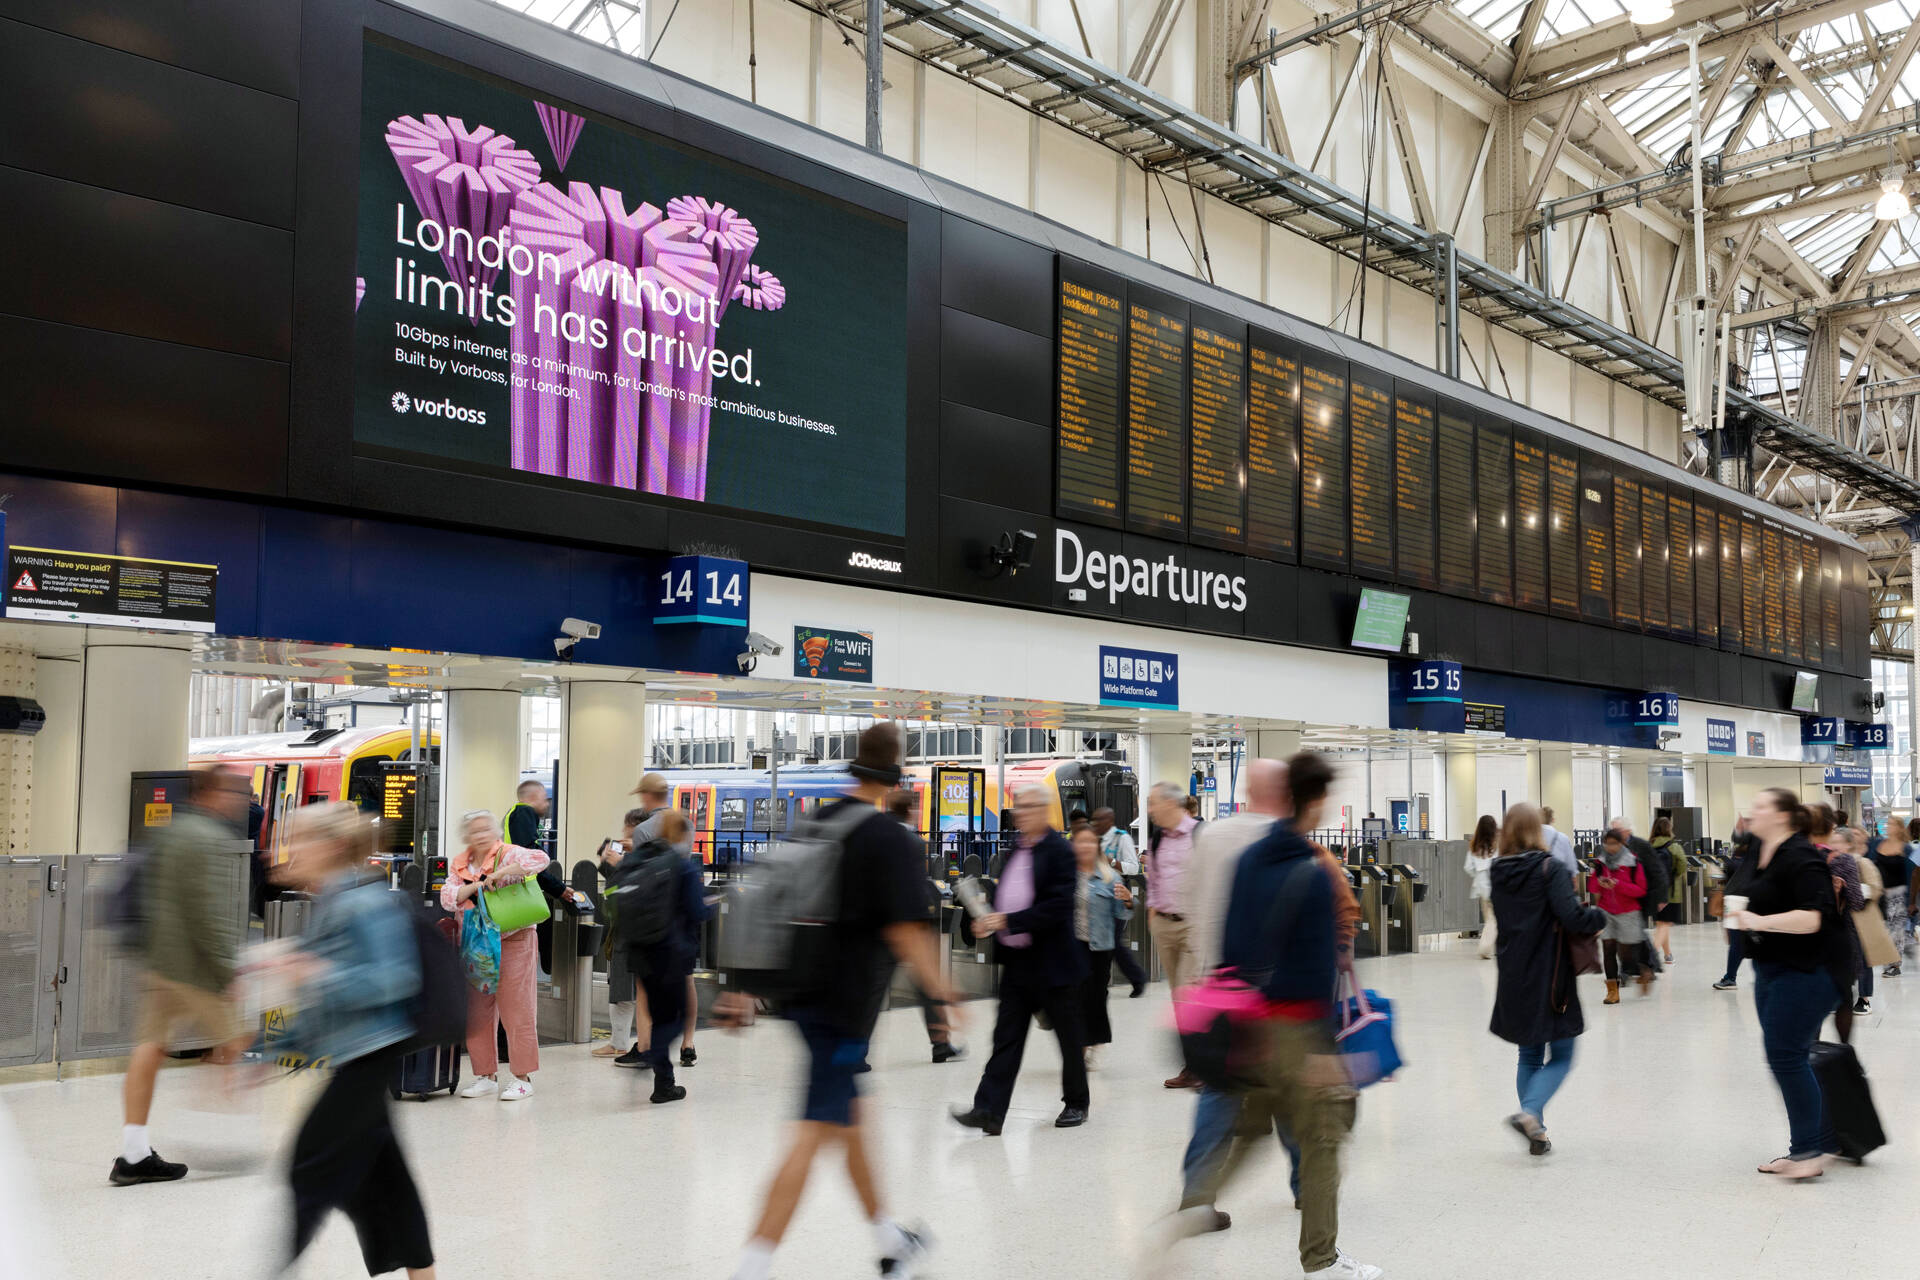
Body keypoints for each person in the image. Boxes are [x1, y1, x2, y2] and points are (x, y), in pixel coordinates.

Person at [717, 722, 961, 1280]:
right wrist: (944, 994)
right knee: (812, 1131)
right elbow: (906, 931)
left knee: (849, 1121)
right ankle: (751, 1267)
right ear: (896, 773)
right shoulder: (889, 837)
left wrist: (743, 983)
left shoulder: (819, 820)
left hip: (800, 994)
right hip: (844, 1008)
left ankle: (890, 1239)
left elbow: (775, 899)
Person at [1158, 752, 1379, 1280]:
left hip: (1250, 1023)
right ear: (1315, 800)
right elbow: (1316, 969)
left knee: (1248, 1130)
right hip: (1298, 1031)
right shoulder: (1314, 867)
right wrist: (1323, 1049)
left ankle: (1186, 1216)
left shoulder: (1250, 859)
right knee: (1322, 1142)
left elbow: (1233, 944)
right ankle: (1322, 1260)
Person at [278, 803, 436, 1279]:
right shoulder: (330, 900)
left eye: (299, 840)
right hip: (351, 1054)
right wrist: (273, 1048)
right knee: (387, 1183)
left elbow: (395, 978)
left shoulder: (364, 901)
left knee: (309, 1167)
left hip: (370, 1053)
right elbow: (319, 1002)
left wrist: (316, 973)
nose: (287, 851)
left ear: (332, 847)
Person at [111, 766, 255, 1186]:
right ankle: (217, 1139)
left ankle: (134, 1153)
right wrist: (228, 971)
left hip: (161, 962)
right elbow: (208, 913)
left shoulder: (171, 832)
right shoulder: (208, 837)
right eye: (234, 792)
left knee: (149, 1047)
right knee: (236, 1040)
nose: (240, 801)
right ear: (211, 792)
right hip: (196, 969)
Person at [1722, 787, 1849, 1179]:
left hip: (1812, 969)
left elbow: (1812, 918)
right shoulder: (1758, 852)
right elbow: (1741, 890)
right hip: (1771, 966)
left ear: (1782, 816)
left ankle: (1807, 1152)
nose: (1752, 812)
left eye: (1760, 806)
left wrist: (1759, 921)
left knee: (1785, 1055)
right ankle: (1820, 1141)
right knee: (1790, 1054)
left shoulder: (1801, 856)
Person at [953, 782, 1090, 1132]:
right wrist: (988, 921)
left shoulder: (1059, 851)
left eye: (1027, 807)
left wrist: (1008, 921)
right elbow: (1010, 894)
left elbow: (1057, 906)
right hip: (1017, 963)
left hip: (1053, 962)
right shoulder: (1017, 846)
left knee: (1068, 1038)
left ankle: (1076, 1103)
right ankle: (989, 1110)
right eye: (1018, 806)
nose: (1019, 813)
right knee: (1006, 1038)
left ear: (1044, 811)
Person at [1488, 803, 1605, 1157]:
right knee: (1564, 1052)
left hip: (1513, 971)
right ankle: (1530, 1112)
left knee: (1529, 1053)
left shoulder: (1497, 871)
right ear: (1536, 831)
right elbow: (1572, 917)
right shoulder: (1548, 868)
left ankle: (1536, 1132)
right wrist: (1598, 916)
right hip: (1550, 971)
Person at [442, 809, 549, 1101]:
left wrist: (500, 874)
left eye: (485, 829)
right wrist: (476, 886)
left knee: (517, 1010)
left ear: (496, 832)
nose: (480, 835)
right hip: (476, 943)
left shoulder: (508, 853)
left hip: (514, 938)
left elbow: (540, 859)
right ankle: (485, 1075)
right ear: (466, 836)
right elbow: (448, 897)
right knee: (478, 1012)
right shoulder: (460, 864)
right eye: (474, 831)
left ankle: (522, 1077)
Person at [618, 808, 710, 1102]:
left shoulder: (637, 860)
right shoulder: (683, 867)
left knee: (658, 1015)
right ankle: (658, 1062)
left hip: (640, 952)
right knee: (675, 1018)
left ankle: (664, 1083)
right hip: (671, 954)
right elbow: (697, 911)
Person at [886, 789, 962, 1064]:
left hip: (884, 923)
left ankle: (856, 1052)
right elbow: (916, 885)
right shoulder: (914, 843)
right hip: (911, 926)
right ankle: (940, 1044)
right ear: (910, 810)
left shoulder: (880, 836)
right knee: (928, 986)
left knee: (874, 989)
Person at [1145, 780, 1202, 1088]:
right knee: (1178, 997)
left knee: (1188, 994)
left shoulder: (1200, 835)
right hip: (1165, 925)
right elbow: (1154, 878)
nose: (1150, 809)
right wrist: (1153, 913)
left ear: (1170, 803)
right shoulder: (1157, 838)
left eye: (1153, 803)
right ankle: (1192, 1066)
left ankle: (1204, 1064)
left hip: (1194, 925)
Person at [1072, 828, 1131, 1071]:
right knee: (1074, 998)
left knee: (1095, 999)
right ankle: (1079, 1047)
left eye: (1090, 842)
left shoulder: (1110, 877)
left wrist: (1128, 900)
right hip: (1073, 946)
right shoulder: (1066, 876)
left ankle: (1095, 1045)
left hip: (1099, 948)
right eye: (1080, 842)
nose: (1085, 846)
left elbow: (1122, 914)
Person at [595, 809, 648, 1061]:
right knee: (624, 989)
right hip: (627, 929)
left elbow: (632, 885)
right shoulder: (637, 856)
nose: (624, 834)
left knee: (623, 989)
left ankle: (621, 1044)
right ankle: (620, 1042)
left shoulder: (642, 858)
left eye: (628, 828)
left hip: (630, 931)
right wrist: (608, 861)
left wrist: (621, 863)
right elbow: (613, 881)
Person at [1093, 807, 1147, 996]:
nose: (1095, 824)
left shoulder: (1122, 839)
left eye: (1099, 820)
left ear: (1110, 821)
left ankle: (1136, 978)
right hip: (1096, 896)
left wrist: (1112, 862)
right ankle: (1102, 984)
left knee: (1113, 942)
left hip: (1116, 895)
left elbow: (1133, 868)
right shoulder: (1093, 838)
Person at [1594, 830, 1650, 1003]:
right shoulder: (1600, 862)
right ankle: (1612, 992)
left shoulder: (1633, 862)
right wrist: (1599, 884)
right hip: (1606, 911)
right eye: (1607, 844)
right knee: (1608, 949)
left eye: (1614, 844)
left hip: (1628, 912)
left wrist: (1618, 885)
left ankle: (1643, 970)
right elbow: (1593, 885)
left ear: (1621, 844)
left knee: (1626, 954)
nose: (1610, 847)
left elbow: (1641, 890)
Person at [1823, 827, 1867, 1041]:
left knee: (1815, 998)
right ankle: (1844, 1048)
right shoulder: (1847, 861)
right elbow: (1857, 902)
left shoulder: (1816, 857)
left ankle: (1813, 1048)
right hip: (1841, 934)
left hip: (1814, 935)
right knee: (1844, 996)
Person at [1714, 819, 1755, 991]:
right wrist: (1739, 829)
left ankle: (1731, 977)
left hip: (1743, 897)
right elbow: (1739, 838)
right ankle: (1732, 976)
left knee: (1739, 940)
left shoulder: (1753, 850)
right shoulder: (1746, 850)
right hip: (1738, 897)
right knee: (1740, 939)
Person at [1873, 823, 1913, 976]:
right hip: (1882, 894)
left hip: (1899, 894)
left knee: (1896, 931)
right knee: (1885, 931)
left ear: (1899, 828)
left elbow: (1913, 872)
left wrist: (1911, 900)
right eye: (1888, 823)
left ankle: (1895, 965)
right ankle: (1888, 962)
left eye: (1892, 824)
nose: (1888, 826)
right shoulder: (1879, 844)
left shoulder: (1906, 848)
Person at [1649, 817, 1686, 965]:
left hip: (1653, 891)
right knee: (1665, 924)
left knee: (1661, 923)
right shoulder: (1674, 846)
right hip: (1671, 892)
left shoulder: (1650, 846)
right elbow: (1682, 864)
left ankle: (1668, 954)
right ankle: (1650, 957)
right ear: (1669, 829)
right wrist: (1674, 876)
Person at [1465, 815, 1496, 958]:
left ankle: (1491, 948)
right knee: (1494, 920)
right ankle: (1485, 947)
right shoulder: (1496, 847)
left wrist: (1478, 875)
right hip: (1495, 887)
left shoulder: (1474, 847)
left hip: (1481, 888)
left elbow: (1468, 867)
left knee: (1489, 918)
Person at [1539, 806, 1577, 875]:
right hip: (1558, 879)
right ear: (1552, 820)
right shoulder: (1563, 838)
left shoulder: (1530, 839)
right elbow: (1572, 869)